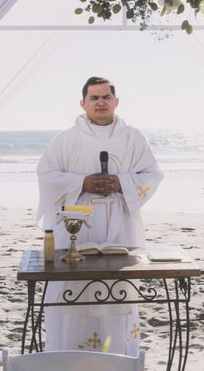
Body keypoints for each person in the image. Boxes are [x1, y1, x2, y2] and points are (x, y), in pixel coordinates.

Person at [37, 76, 163, 355]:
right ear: (83, 103)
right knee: (72, 297)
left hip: (121, 227)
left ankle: (119, 359)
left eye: (106, 97)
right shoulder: (65, 140)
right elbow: (46, 176)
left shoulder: (133, 137)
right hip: (77, 230)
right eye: (94, 98)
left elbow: (153, 175)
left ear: (116, 102)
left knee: (117, 297)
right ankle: (68, 360)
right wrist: (83, 183)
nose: (100, 102)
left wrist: (120, 183)